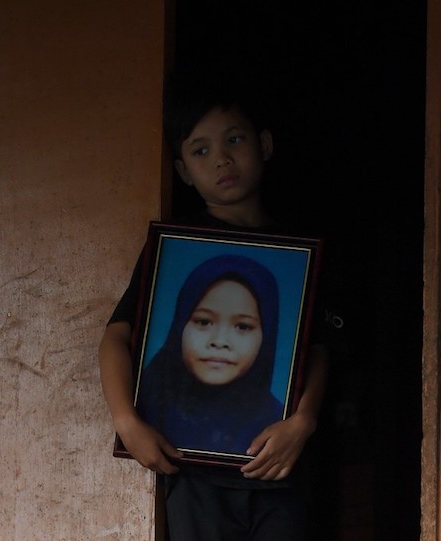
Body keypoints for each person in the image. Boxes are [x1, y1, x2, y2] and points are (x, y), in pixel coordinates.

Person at [98, 68, 337, 540]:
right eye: (201, 150)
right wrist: (127, 420)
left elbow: (320, 348)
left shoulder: (298, 256)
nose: (222, 160)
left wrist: (303, 421)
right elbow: (117, 335)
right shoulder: (175, 251)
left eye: (234, 140)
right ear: (183, 171)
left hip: (278, 467)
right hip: (193, 473)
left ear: (264, 145)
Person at [137, 254, 286, 457]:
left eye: (243, 326)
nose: (220, 340)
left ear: (266, 337)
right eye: (204, 322)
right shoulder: (140, 408)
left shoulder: (280, 429)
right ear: (180, 326)